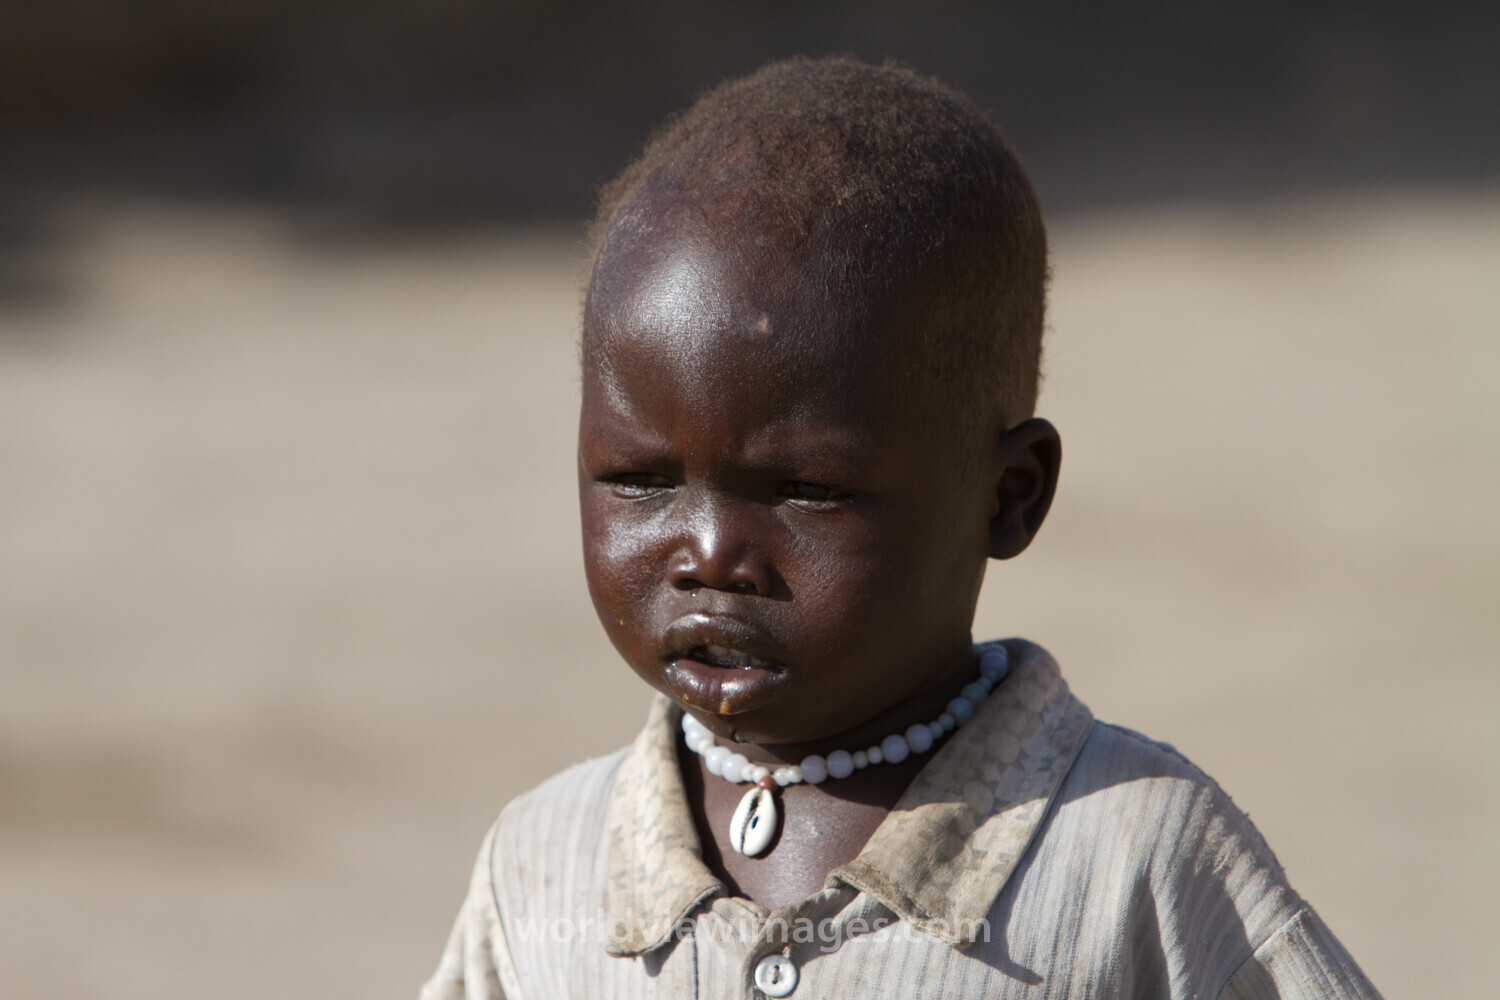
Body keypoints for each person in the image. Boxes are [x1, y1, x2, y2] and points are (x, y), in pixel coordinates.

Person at [419, 56, 1382, 999]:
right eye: (639, 480)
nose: (710, 553)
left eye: (803, 490)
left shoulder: (1136, 863)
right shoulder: (542, 867)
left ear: (1009, 495)